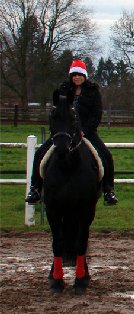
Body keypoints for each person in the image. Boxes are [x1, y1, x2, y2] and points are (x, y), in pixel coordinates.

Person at [25, 59, 118, 206]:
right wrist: (57, 131)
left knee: (106, 155)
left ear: (84, 76)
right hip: (64, 133)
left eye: (79, 75)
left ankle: (108, 190)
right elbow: (55, 113)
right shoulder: (63, 90)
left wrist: (84, 131)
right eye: (74, 75)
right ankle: (35, 188)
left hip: (86, 132)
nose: (77, 77)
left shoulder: (93, 91)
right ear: (70, 76)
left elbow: (96, 114)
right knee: (40, 154)